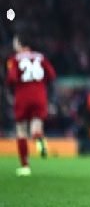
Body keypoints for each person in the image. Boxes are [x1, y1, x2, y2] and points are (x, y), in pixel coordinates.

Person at [5, 28, 57, 176]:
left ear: (20, 44)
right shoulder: (41, 57)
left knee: (21, 130)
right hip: (40, 95)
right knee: (36, 127)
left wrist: (10, 93)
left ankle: (25, 166)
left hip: (23, 96)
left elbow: (11, 79)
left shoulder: (15, 59)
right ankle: (39, 139)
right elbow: (52, 75)